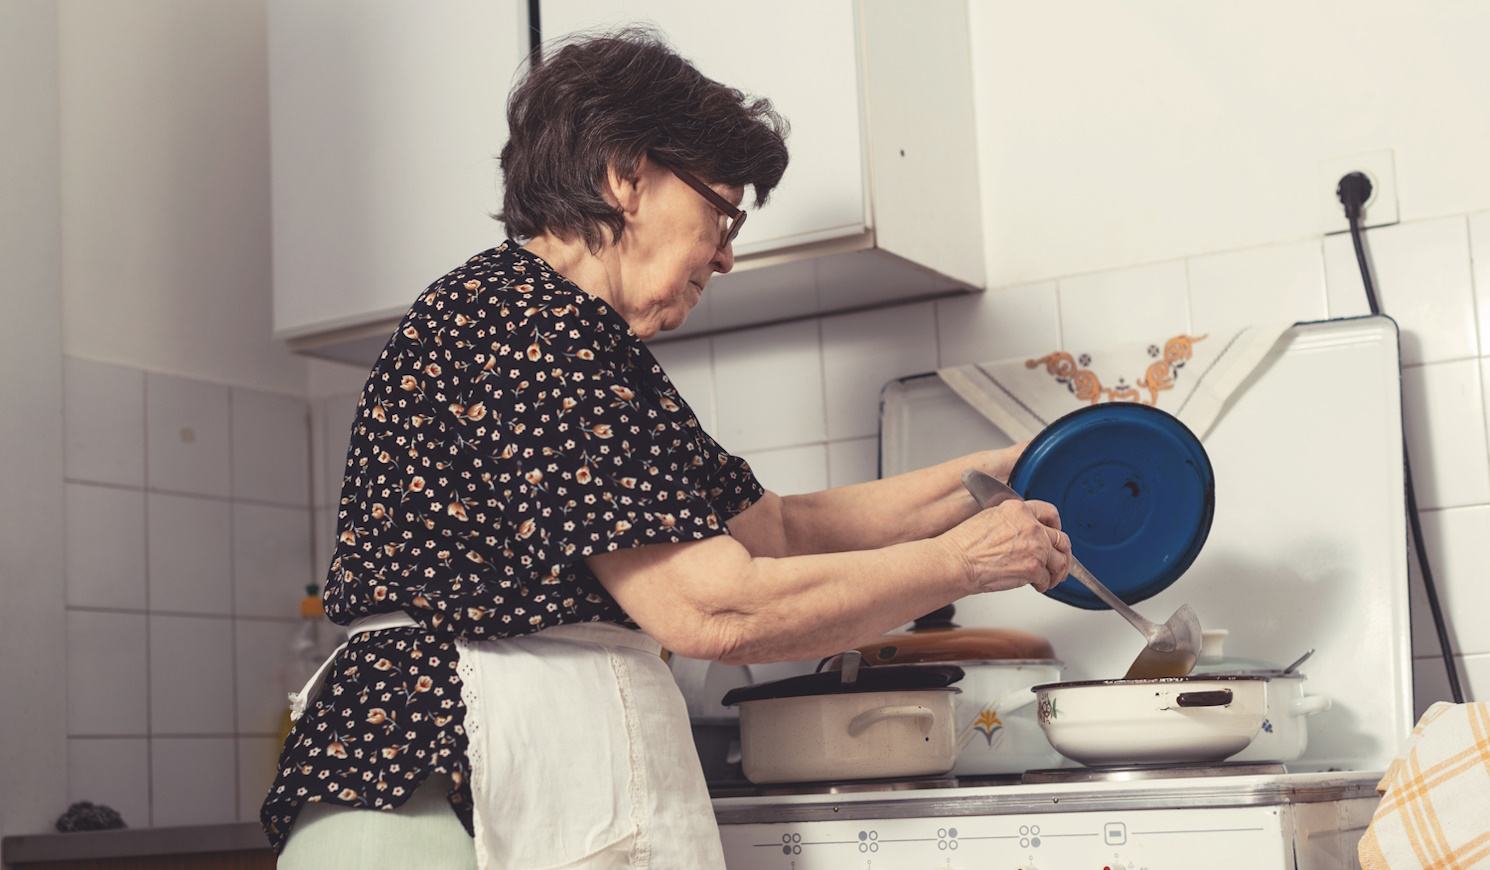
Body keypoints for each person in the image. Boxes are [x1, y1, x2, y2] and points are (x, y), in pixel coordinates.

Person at [263, 27, 1071, 870]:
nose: (727, 253)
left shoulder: (580, 346)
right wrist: (964, 563)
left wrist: (1003, 474)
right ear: (627, 173)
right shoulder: (529, 326)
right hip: (432, 799)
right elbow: (711, 607)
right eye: (722, 210)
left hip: (440, 790)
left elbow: (779, 532)